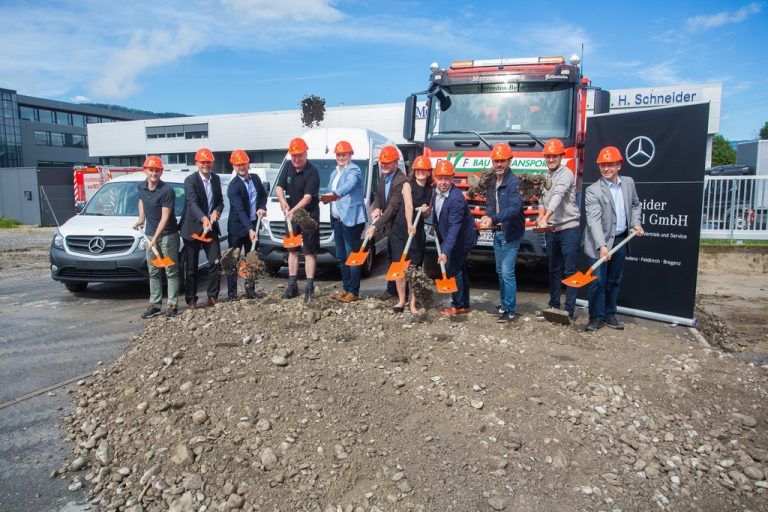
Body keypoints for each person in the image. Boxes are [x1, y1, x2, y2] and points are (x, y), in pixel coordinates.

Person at [583, 146, 644, 332]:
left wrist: (635, 223)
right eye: (603, 165)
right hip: (597, 242)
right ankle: (595, 317)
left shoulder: (628, 183)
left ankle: (610, 314)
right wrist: (602, 245)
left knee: (614, 280)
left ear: (619, 165)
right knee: (597, 282)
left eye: (610, 164)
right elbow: (593, 221)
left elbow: (635, 205)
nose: (606, 168)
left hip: (620, 240)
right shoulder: (594, 190)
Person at [479, 143, 524, 322]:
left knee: (507, 271)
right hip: (497, 232)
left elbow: (514, 208)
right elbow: (491, 204)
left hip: (511, 232)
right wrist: (485, 216)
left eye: (502, 161)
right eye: (496, 161)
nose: (499, 164)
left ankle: (511, 310)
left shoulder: (514, 182)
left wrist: (494, 218)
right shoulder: (492, 181)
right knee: (500, 270)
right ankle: (504, 304)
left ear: (509, 161)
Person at [536, 139, 580, 320]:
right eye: (548, 156)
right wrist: (540, 215)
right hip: (552, 229)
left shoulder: (566, 173)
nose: (551, 159)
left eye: (554, 156)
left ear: (561, 156)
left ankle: (569, 310)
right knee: (554, 269)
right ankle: (554, 306)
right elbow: (542, 199)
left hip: (569, 227)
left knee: (570, 271)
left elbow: (557, 196)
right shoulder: (546, 175)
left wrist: (546, 217)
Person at [133, 156, 181, 318]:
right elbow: (141, 201)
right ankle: (155, 304)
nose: (154, 173)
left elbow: (165, 217)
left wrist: (154, 238)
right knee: (153, 271)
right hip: (151, 235)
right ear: (145, 170)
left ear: (161, 172)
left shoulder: (166, 191)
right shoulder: (141, 187)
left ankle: (172, 304)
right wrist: (141, 219)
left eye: (157, 170)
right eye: (151, 170)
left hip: (168, 236)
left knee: (170, 270)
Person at [276, 137, 321, 302]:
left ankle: (309, 286)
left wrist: (293, 210)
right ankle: (292, 285)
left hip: (308, 216)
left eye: (299, 155)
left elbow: (308, 197)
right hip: (291, 217)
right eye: (293, 155)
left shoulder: (312, 171)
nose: (296, 159)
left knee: (309, 252)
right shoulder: (288, 166)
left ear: (306, 153)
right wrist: (282, 200)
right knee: (292, 250)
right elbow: (279, 187)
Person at [323, 140, 367, 303]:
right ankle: (346, 288)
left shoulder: (353, 169)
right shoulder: (335, 172)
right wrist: (325, 197)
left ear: (350, 155)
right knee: (341, 257)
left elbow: (349, 185)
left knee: (352, 257)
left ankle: (354, 292)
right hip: (337, 219)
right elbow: (328, 189)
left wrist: (335, 194)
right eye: (339, 154)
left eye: (344, 154)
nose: (341, 157)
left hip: (351, 220)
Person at [180, 148, 224, 309]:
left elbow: (219, 201)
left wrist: (216, 211)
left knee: (215, 262)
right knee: (191, 266)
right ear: (197, 163)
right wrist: (203, 217)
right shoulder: (190, 180)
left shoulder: (216, 179)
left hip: (210, 228)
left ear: (212, 163)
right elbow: (191, 203)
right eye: (202, 162)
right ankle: (191, 299)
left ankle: (212, 296)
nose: (205, 164)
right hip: (192, 227)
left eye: (208, 162)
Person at [432, 160, 478, 315]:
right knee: (461, 269)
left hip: (462, 238)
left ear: (452, 178)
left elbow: (454, 228)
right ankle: (464, 304)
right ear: (435, 178)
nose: (443, 182)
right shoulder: (435, 190)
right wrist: (435, 226)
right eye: (440, 178)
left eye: (446, 178)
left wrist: (444, 251)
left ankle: (457, 306)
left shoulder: (456, 199)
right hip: (454, 236)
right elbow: (437, 212)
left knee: (454, 268)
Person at [390, 155, 433, 314]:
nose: (421, 172)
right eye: (418, 170)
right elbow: (408, 206)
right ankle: (401, 300)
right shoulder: (407, 185)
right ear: (414, 171)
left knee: (414, 268)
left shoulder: (431, 190)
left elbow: (426, 215)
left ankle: (412, 304)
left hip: (417, 232)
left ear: (429, 172)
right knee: (400, 266)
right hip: (402, 229)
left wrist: (426, 212)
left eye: (424, 170)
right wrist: (409, 223)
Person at [365, 145, 406, 300]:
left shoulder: (401, 181)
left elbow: (392, 209)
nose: (384, 164)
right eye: (382, 161)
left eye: (388, 162)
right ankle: (391, 290)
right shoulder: (384, 176)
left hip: (400, 228)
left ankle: (401, 294)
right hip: (391, 227)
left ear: (396, 163)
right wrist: (376, 208)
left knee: (398, 261)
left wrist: (375, 226)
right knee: (390, 258)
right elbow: (379, 197)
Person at [226, 149, 267, 300]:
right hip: (237, 229)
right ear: (233, 166)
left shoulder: (255, 179)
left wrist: (262, 207)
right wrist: (249, 228)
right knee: (233, 260)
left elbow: (262, 196)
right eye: (238, 165)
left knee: (251, 259)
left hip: (253, 226)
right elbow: (239, 210)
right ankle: (231, 293)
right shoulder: (233, 186)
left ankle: (250, 290)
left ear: (247, 163)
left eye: (243, 164)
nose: (241, 167)